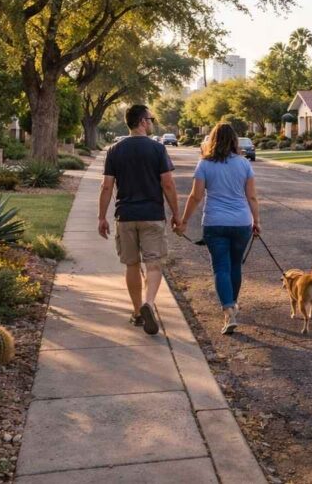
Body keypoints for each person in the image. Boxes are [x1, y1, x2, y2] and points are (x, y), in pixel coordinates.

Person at [98, 105, 180, 335]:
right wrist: (176, 213)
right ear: (143, 121)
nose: (152, 122)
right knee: (153, 264)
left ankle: (136, 312)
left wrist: (101, 217)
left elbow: (106, 186)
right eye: (151, 119)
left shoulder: (115, 150)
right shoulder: (157, 149)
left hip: (125, 216)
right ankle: (149, 304)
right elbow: (167, 184)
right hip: (152, 216)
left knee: (131, 265)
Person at [178, 122, 261, 335]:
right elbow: (251, 196)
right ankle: (232, 303)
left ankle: (228, 310)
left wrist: (184, 220)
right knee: (235, 266)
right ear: (234, 140)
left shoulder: (204, 165)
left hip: (215, 223)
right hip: (241, 223)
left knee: (221, 268)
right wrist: (256, 221)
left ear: (212, 140)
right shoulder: (244, 164)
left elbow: (196, 196)